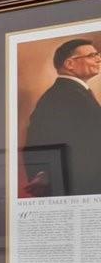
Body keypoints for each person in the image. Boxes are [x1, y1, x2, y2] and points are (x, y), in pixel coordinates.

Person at [25, 36, 101, 196]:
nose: (98, 59)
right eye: (91, 56)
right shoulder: (65, 94)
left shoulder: (71, 92)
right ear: (70, 64)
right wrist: (46, 173)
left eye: (97, 55)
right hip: (80, 188)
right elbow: (42, 139)